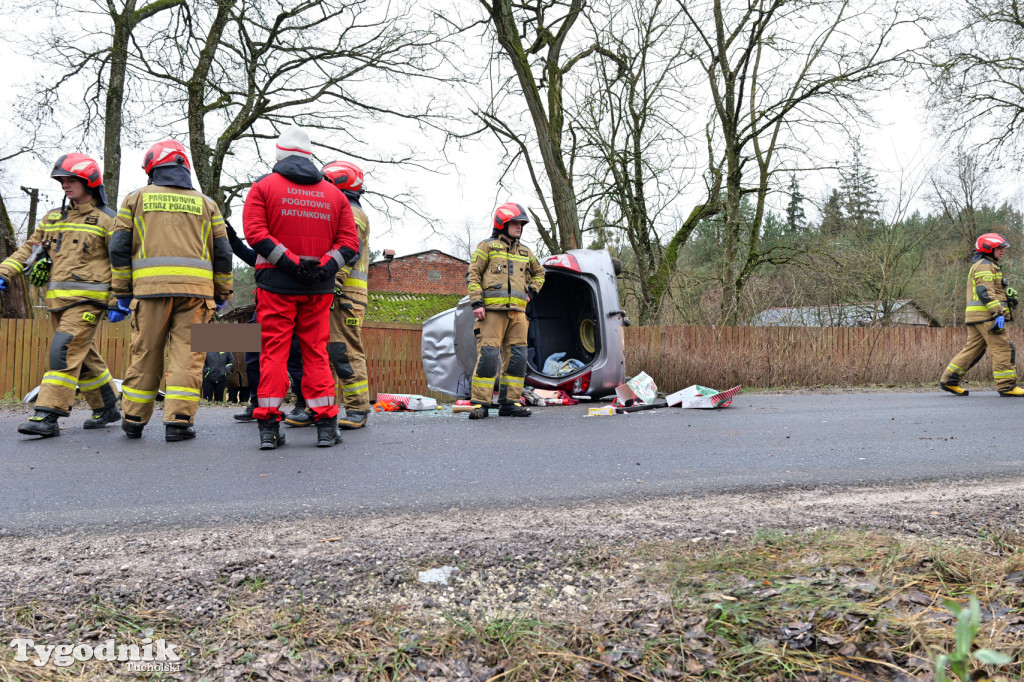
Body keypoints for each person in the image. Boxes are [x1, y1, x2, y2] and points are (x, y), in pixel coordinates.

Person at [242, 125, 359, 450]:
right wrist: (323, 267)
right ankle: (324, 426)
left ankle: (268, 427)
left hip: (276, 286)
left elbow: (255, 234)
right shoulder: (335, 195)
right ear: (310, 157)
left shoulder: (262, 188)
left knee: (274, 354)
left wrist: (290, 263)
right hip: (318, 289)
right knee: (316, 354)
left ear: (279, 155)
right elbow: (350, 243)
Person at [110, 140, 233, 442]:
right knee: (188, 357)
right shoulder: (207, 204)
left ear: (152, 167)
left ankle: (133, 419)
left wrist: (122, 292)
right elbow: (223, 253)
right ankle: (178, 421)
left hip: (149, 292)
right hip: (197, 295)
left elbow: (118, 247)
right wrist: (223, 292)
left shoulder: (135, 199)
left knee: (145, 353)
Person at [1, 154, 122, 437]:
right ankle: (107, 407)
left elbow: (121, 261)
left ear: (89, 182)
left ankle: (47, 414)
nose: (65, 185)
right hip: (57, 302)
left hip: (89, 303)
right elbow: (29, 248)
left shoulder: (108, 220)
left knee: (63, 351)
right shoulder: (53, 218)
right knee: (83, 355)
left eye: (71, 180)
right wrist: (5, 271)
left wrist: (119, 299)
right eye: (62, 180)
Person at [465, 202, 545, 419]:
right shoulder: (486, 247)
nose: (520, 227)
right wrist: (477, 303)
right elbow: (472, 275)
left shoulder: (525, 252)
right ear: (503, 223)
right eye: (516, 223)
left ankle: (510, 402)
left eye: (522, 224)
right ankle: (480, 403)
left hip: (518, 315)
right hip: (491, 313)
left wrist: (531, 293)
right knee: (489, 357)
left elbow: (540, 273)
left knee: (518, 358)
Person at [224, 221, 307, 424]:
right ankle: (257, 403)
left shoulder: (295, 245)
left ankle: (302, 404)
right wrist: (231, 237)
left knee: (295, 357)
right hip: (262, 308)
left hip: (289, 306)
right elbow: (249, 255)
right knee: (252, 358)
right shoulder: (267, 248)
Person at [940, 232, 1024, 397]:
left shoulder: (986, 265)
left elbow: (988, 290)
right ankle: (1007, 386)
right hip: (987, 317)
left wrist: (1006, 295)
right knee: (1004, 348)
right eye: (999, 248)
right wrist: (998, 313)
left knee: (972, 350)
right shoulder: (985, 265)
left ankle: (949, 381)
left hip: (977, 317)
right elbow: (984, 291)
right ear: (988, 248)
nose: (1003, 250)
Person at [322, 160, 372, 429]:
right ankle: (318, 407)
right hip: (336, 292)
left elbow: (348, 251)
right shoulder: (342, 211)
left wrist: (335, 281)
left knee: (344, 350)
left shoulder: (351, 213)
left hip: (345, 295)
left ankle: (357, 409)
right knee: (323, 352)